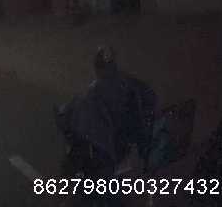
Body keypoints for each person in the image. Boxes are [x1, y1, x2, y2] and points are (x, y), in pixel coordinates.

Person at [63, 47, 157, 175]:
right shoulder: (123, 82)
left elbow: (81, 118)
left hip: (114, 147)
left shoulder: (96, 91)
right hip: (122, 144)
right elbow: (150, 97)